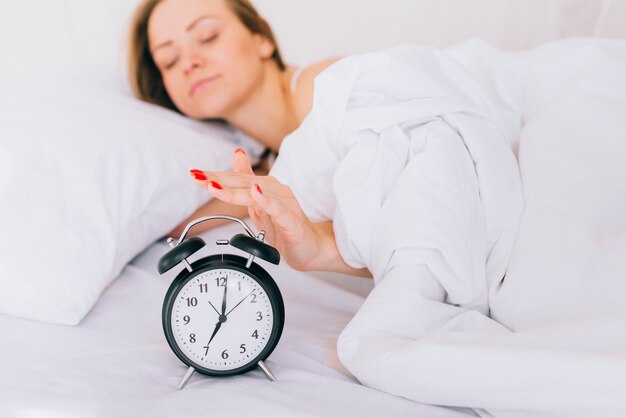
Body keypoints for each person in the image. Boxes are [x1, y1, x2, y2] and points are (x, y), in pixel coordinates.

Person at [128, 0, 365, 276]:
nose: (189, 63)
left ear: (262, 38)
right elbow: (163, 223)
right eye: (169, 61)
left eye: (208, 37)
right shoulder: (269, 163)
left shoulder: (330, 90)